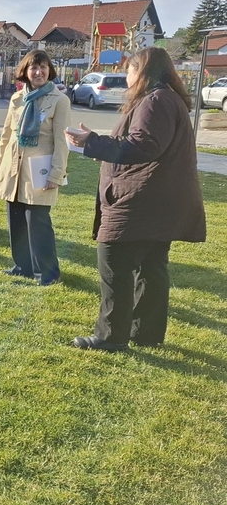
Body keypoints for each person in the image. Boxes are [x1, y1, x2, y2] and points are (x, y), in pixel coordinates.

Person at [65, 47, 206, 351]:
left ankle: (110, 336)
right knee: (152, 266)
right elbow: (142, 145)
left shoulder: (156, 100)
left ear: (142, 71)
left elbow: (144, 146)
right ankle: (145, 332)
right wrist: (103, 147)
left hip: (142, 199)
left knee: (113, 260)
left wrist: (93, 142)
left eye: (129, 69)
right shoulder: (166, 98)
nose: (126, 75)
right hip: (160, 199)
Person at [0, 50, 71, 285]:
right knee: (16, 220)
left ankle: (48, 273)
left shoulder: (59, 100)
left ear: (49, 71)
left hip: (40, 170)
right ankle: (22, 266)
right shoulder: (17, 98)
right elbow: (6, 136)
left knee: (38, 222)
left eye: (43, 67)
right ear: (25, 71)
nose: (38, 72)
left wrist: (56, 174)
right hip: (13, 168)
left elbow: (62, 142)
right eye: (33, 67)